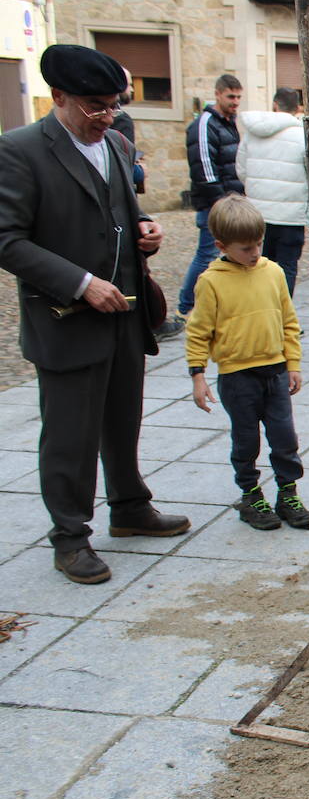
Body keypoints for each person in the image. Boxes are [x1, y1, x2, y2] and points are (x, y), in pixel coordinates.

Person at [0, 44, 190, 584]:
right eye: (94, 106)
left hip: (124, 316)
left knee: (122, 419)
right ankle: (70, 537)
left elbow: (120, 214)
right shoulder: (17, 150)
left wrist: (146, 232)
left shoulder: (116, 142)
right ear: (58, 96)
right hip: (65, 318)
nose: (106, 116)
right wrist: (82, 284)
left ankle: (129, 507)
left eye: (113, 105)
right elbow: (7, 240)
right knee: (69, 435)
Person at [185, 195, 309, 531]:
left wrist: (293, 362)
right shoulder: (211, 281)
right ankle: (251, 495)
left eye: (258, 244)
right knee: (246, 440)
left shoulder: (272, 272)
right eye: (245, 248)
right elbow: (198, 331)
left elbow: (288, 319)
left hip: (275, 372)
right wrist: (198, 375)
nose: (254, 253)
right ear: (221, 245)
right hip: (237, 376)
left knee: (285, 438)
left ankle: (288, 492)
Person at [165, 73, 243, 338]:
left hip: (230, 202)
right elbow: (205, 167)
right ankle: (185, 309)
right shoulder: (205, 123)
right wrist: (220, 202)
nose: (235, 102)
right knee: (206, 255)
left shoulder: (227, 123)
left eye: (238, 97)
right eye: (231, 96)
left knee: (226, 257)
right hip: (215, 205)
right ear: (218, 94)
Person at [236, 87, 309, 296]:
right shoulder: (301, 135)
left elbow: (242, 170)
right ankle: (282, 317)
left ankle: (261, 312)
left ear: (275, 105)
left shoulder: (252, 133)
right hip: (291, 215)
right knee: (286, 266)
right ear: (297, 109)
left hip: (259, 212)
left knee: (258, 263)